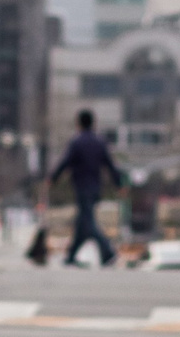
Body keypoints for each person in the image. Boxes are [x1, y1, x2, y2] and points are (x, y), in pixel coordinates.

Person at [50, 111, 127, 268]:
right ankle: (71, 256)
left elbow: (65, 162)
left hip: (81, 186)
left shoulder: (76, 142)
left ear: (79, 123)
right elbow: (110, 165)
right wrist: (119, 184)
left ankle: (108, 252)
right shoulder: (100, 142)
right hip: (96, 187)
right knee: (82, 222)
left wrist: (53, 178)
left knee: (88, 222)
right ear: (93, 123)